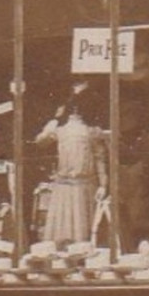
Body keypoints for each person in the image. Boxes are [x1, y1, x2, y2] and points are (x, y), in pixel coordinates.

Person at [35, 97, 107, 247]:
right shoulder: (60, 131)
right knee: (65, 226)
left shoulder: (90, 132)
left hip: (84, 186)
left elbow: (100, 159)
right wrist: (52, 123)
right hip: (64, 186)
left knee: (81, 228)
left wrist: (103, 185)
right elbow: (40, 142)